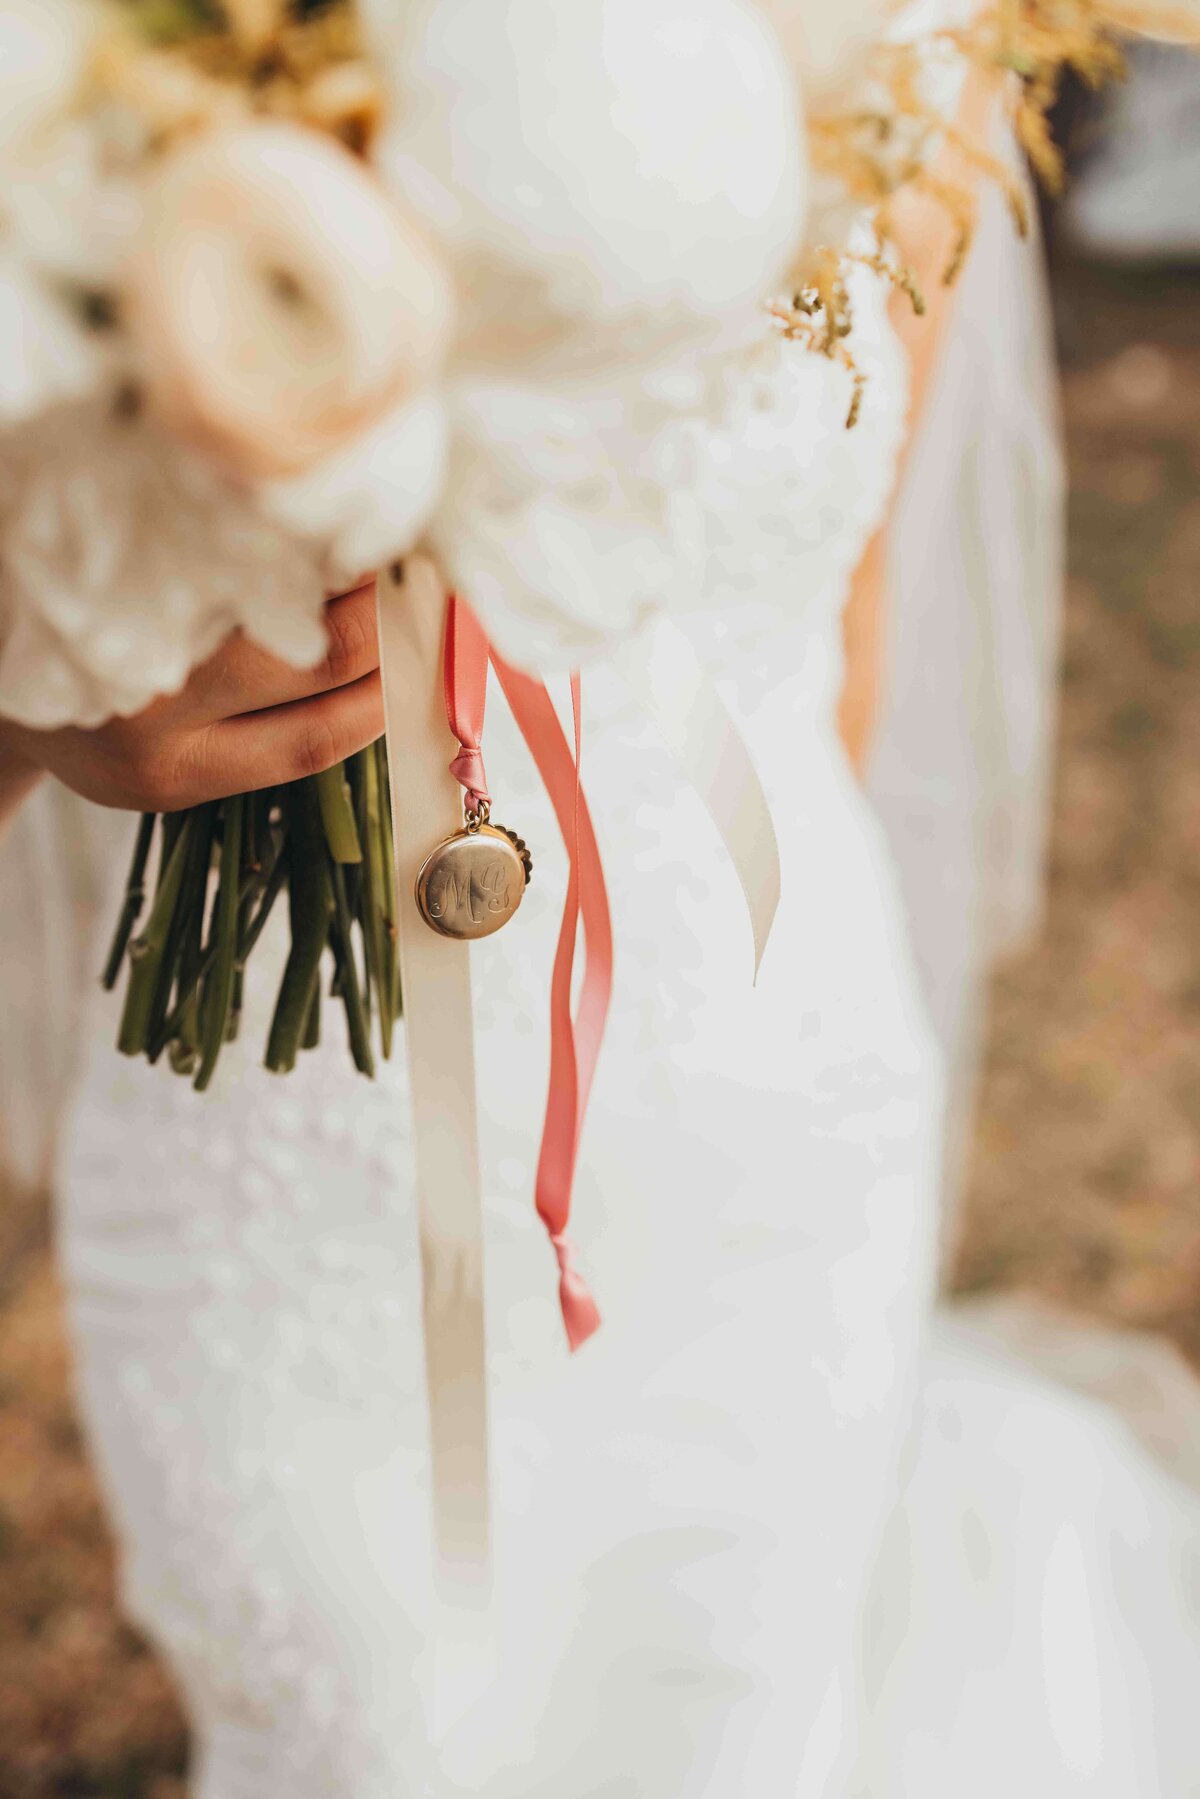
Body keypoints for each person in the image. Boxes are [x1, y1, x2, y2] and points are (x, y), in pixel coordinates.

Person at [3, 98, 1200, 1799]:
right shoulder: (117, 78)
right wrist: (39, 702)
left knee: (735, 1716)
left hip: (761, 1109)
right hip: (279, 1167)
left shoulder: (885, 57)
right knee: (359, 1738)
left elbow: (840, 626)